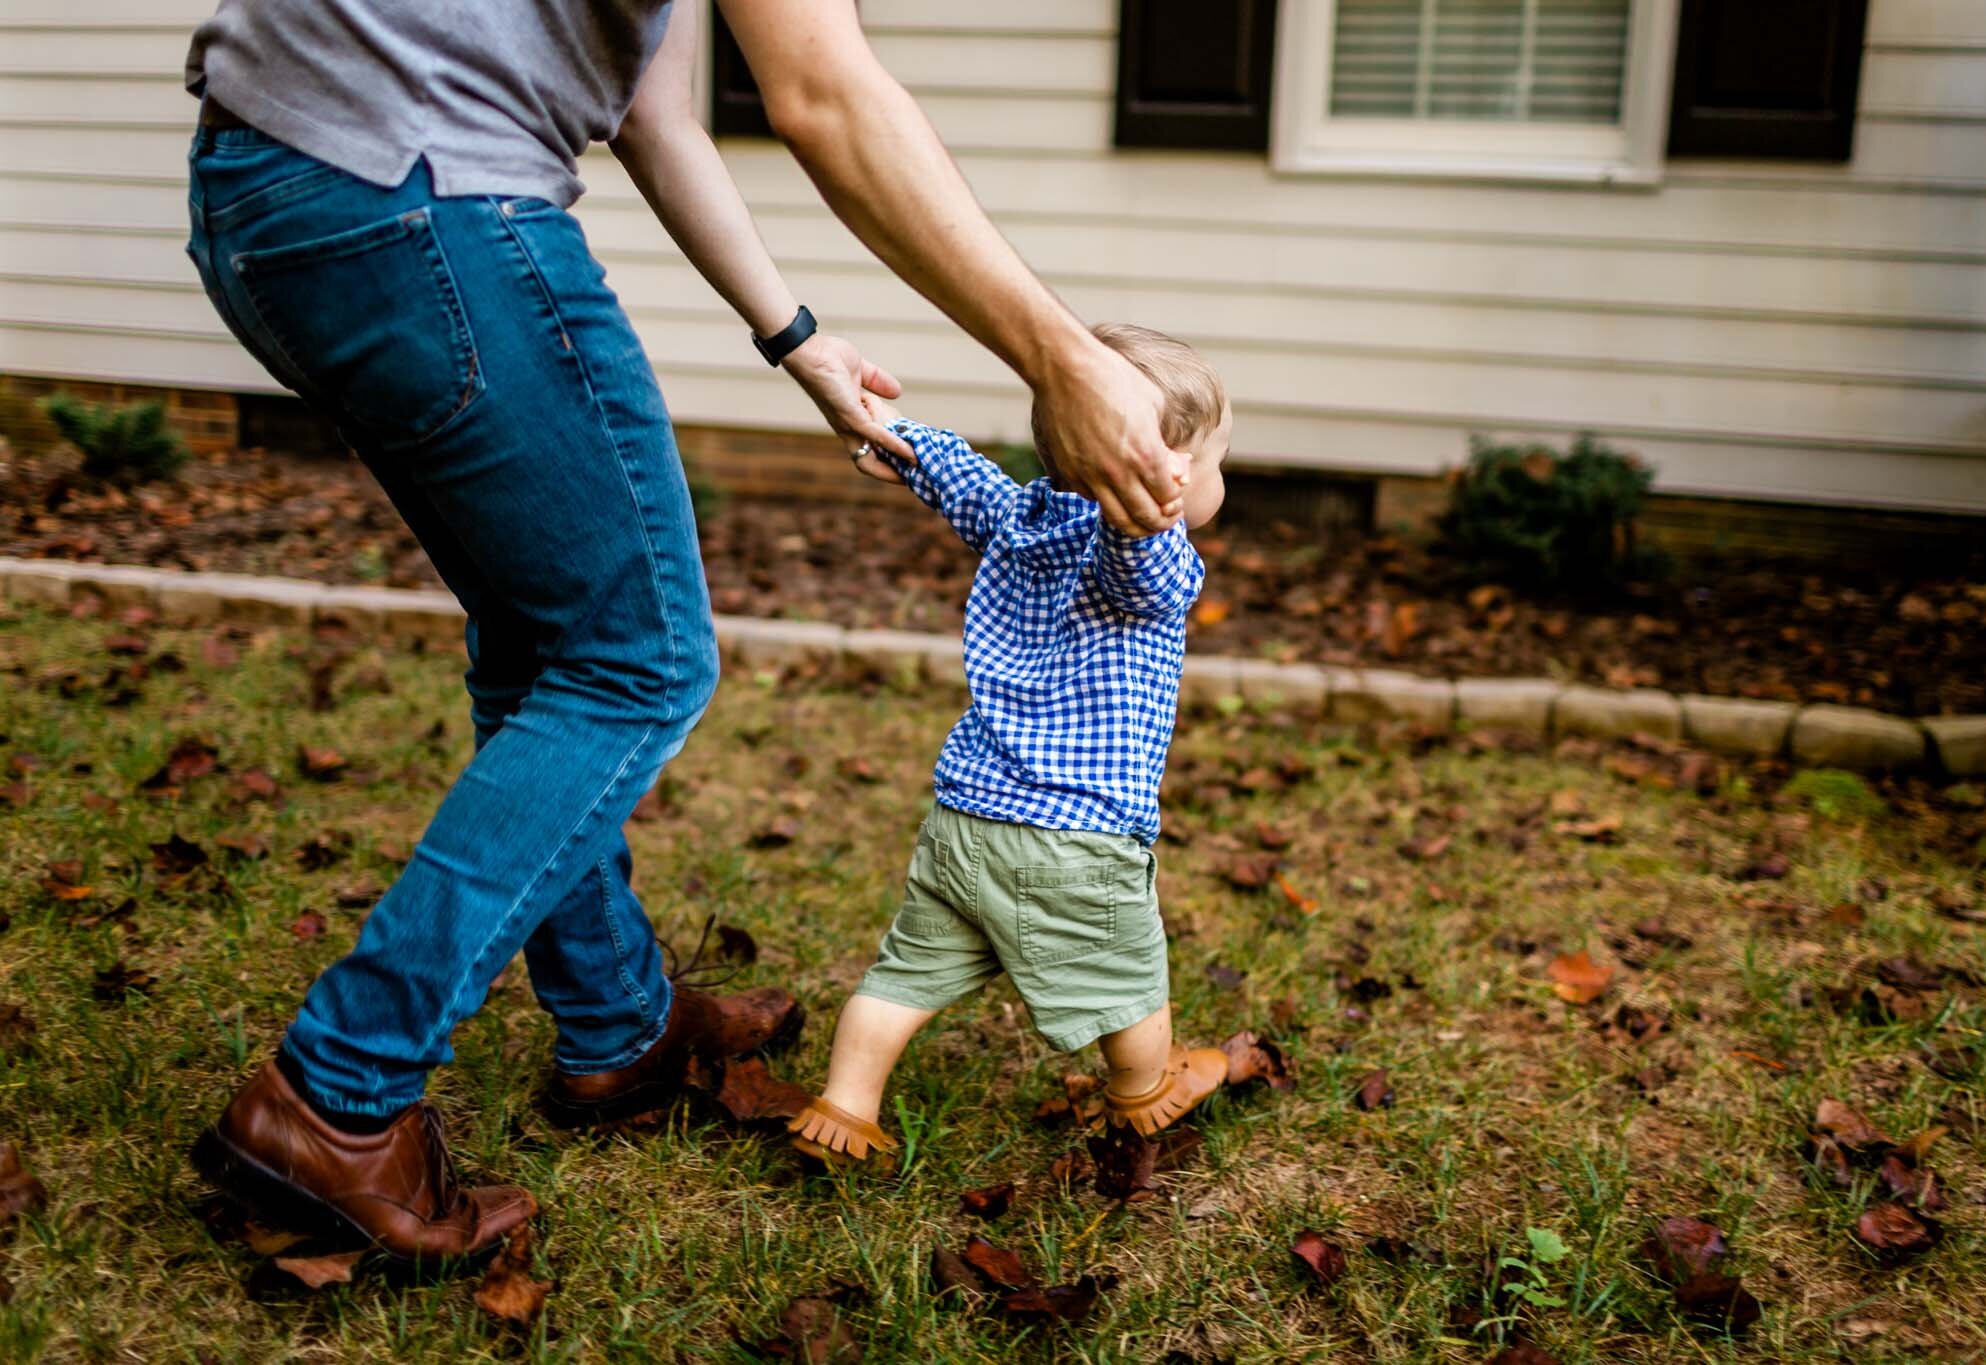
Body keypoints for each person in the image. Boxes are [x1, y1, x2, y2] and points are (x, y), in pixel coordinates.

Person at [179, 0, 1193, 1260]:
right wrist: (1060, 360)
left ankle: (615, 1026)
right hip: (425, 204)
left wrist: (797, 342)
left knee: (546, 637)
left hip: (263, 194)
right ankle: (336, 1095)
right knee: (634, 660)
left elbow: (649, 106)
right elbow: (821, 90)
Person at [786, 324, 1233, 1166]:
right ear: (1161, 473)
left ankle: (846, 1105)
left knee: (907, 972)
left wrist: (895, 434)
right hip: (1075, 838)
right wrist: (1144, 509)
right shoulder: (1156, 558)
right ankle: (1145, 1089)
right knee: (1125, 971)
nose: (1215, 482)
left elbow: (958, 475)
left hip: (964, 819)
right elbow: (1137, 565)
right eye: (1213, 463)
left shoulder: (1019, 514)